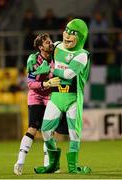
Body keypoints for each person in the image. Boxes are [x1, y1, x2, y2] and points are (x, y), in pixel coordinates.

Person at [34, 18, 91, 174]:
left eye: (73, 33)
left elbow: (69, 74)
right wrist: (36, 62)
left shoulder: (82, 55)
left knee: (74, 133)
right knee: (45, 130)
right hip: (56, 97)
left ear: (81, 37)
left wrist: (50, 71)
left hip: (73, 98)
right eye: (66, 30)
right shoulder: (57, 46)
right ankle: (53, 164)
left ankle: (73, 167)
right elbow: (42, 52)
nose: (67, 35)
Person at [14, 33, 61, 175]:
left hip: (50, 97)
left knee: (48, 130)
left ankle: (49, 165)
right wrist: (45, 83)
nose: (51, 43)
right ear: (41, 47)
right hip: (36, 96)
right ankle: (20, 161)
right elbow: (30, 84)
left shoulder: (56, 56)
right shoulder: (33, 60)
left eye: (50, 41)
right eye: (47, 42)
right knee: (33, 127)